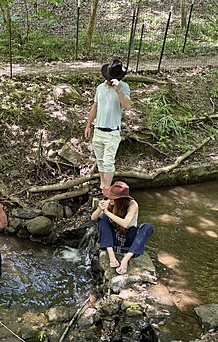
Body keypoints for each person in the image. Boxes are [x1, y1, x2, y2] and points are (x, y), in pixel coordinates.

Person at [84, 59, 132, 194]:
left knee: (108, 162)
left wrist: (118, 90)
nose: (110, 80)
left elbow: (128, 106)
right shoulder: (100, 88)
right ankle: (103, 187)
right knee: (100, 161)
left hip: (112, 132)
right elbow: (95, 106)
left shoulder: (124, 87)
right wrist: (88, 125)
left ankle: (106, 190)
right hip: (98, 129)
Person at [90, 181, 154, 275]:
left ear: (120, 200)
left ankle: (126, 259)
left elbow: (125, 224)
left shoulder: (132, 204)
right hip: (114, 237)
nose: (109, 199)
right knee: (102, 218)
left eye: (112, 198)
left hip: (128, 236)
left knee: (147, 227)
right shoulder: (109, 201)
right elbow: (93, 218)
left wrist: (107, 212)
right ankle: (111, 255)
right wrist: (99, 209)